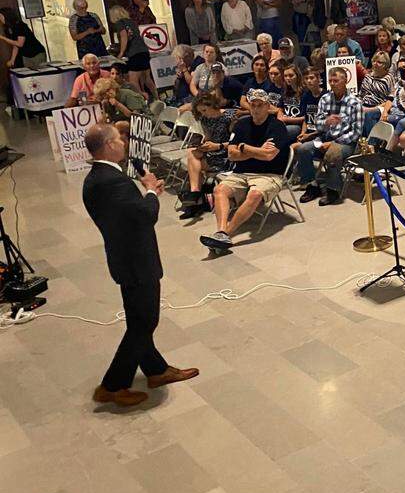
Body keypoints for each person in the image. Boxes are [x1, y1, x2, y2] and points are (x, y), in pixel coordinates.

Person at [81, 123, 198, 408]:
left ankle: (156, 370)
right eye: (119, 139)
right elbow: (145, 216)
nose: (124, 142)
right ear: (109, 145)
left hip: (125, 257)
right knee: (145, 321)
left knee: (138, 318)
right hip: (135, 261)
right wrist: (151, 192)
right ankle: (113, 385)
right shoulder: (112, 182)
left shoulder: (99, 177)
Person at [199, 90, 291, 251]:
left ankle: (226, 233)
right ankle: (221, 232)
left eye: (260, 105)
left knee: (255, 194)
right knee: (220, 190)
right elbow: (231, 155)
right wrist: (256, 151)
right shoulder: (242, 124)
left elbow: (269, 156)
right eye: (253, 105)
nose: (256, 109)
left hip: (270, 174)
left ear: (268, 106)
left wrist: (244, 148)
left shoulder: (277, 126)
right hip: (241, 173)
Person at [295, 67, 363, 205]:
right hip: (325, 138)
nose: (332, 83)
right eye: (330, 81)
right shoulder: (325, 99)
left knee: (332, 154)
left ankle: (333, 190)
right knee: (303, 149)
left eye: (336, 80)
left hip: (347, 143)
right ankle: (313, 184)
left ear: (345, 81)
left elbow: (356, 133)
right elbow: (317, 125)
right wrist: (326, 122)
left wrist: (334, 143)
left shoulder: (355, 103)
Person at [0, 5, 46, 70]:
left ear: (7, 16)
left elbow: (19, 44)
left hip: (36, 53)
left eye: (1, 16)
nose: (0, 19)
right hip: (25, 55)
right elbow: (15, 45)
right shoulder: (9, 28)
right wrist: (12, 60)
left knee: (39, 74)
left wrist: (2, 38)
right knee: (29, 76)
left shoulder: (20, 25)